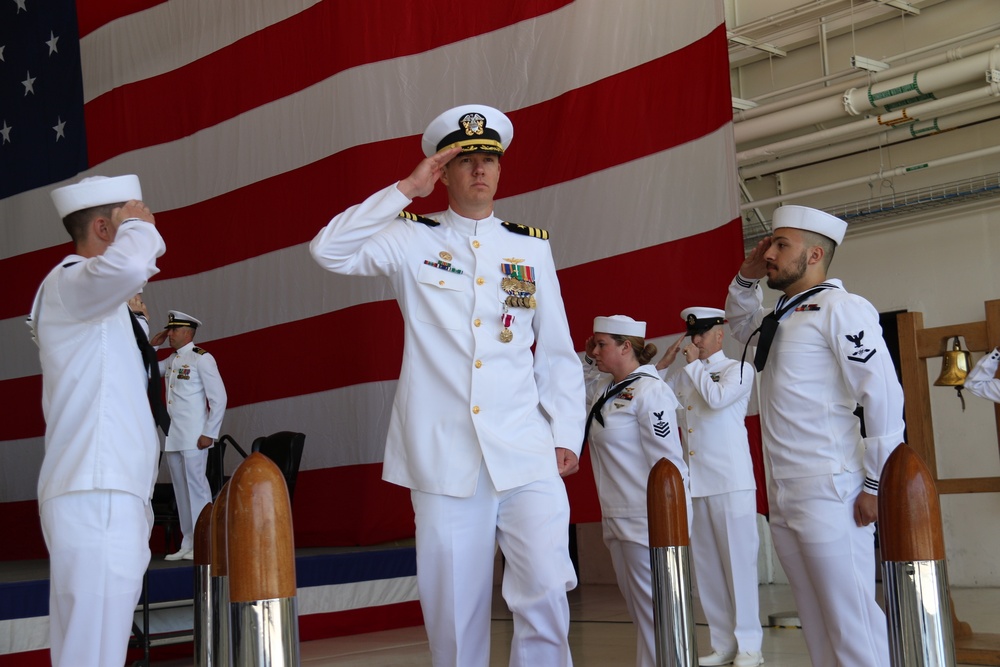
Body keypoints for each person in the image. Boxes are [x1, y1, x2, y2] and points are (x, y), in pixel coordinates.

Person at [309, 104, 586, 667]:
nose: (479, 169)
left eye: (489, 159)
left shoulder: (529, 247)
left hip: (525, 448)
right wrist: (404, 189)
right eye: (465, 160)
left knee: (547, 592)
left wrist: (565, 432)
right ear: (446, 173)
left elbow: (556, 351)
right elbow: (327, 250)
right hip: (444, 454)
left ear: (501, 170)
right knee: (454, 611)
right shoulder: (412, 239)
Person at [725, 205, 905, 667]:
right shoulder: (784, 314)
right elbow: (740, 334)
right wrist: (745, 282)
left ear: (814, 254)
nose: (769, 253)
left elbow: (882, 396)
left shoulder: (842, 309)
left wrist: (874, 483)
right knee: (818, 623)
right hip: (787, 491)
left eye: (782, 245)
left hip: (832, 488)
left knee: (853, 623)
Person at [27, 174, 165, 667]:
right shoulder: (69, 280)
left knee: (94, 649)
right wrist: (139, 231)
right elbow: (128, 265)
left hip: (109, 488)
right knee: (93, 650)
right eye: (134, 218)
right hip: (96, 489)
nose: (146, 226)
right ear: (106, 229)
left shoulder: (94, 300)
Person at [656, 307, 762, 667]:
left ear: (720, 334)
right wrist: (663, 365)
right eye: (692, 334)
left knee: (739, 565)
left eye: (701, 333)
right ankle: (723, 644)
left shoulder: (739, 370)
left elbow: (716, 400)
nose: (695, 340)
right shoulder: (687, 373)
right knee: (709, 569)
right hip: (696, 483)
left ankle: (750, 645)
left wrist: (690, 366)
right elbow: (657, 400)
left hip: (730, 482)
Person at [583, 315, 687, 667]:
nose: (594, 351)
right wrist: (589, 356)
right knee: (643, 616)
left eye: (602, 344)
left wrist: (672, 524)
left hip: (648, 521)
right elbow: (568, 381)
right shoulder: (604, 389)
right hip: (616, 517)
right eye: (592, 344)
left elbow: (669, 465)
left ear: (626, 346)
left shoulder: (650, 391)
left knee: (659, 615)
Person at [149, 310, 227, 560]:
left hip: (195, 435)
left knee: (197, 489)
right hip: (174, 435)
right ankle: (188, 542)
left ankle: (205, 542)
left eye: (173, 330)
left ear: (187, 333)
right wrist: (152, 346)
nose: (169, 334)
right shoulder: (172, 360)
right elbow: (147, 372)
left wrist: (210, 433)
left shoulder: (201, 359)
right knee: (181, 490)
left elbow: (219, 398)